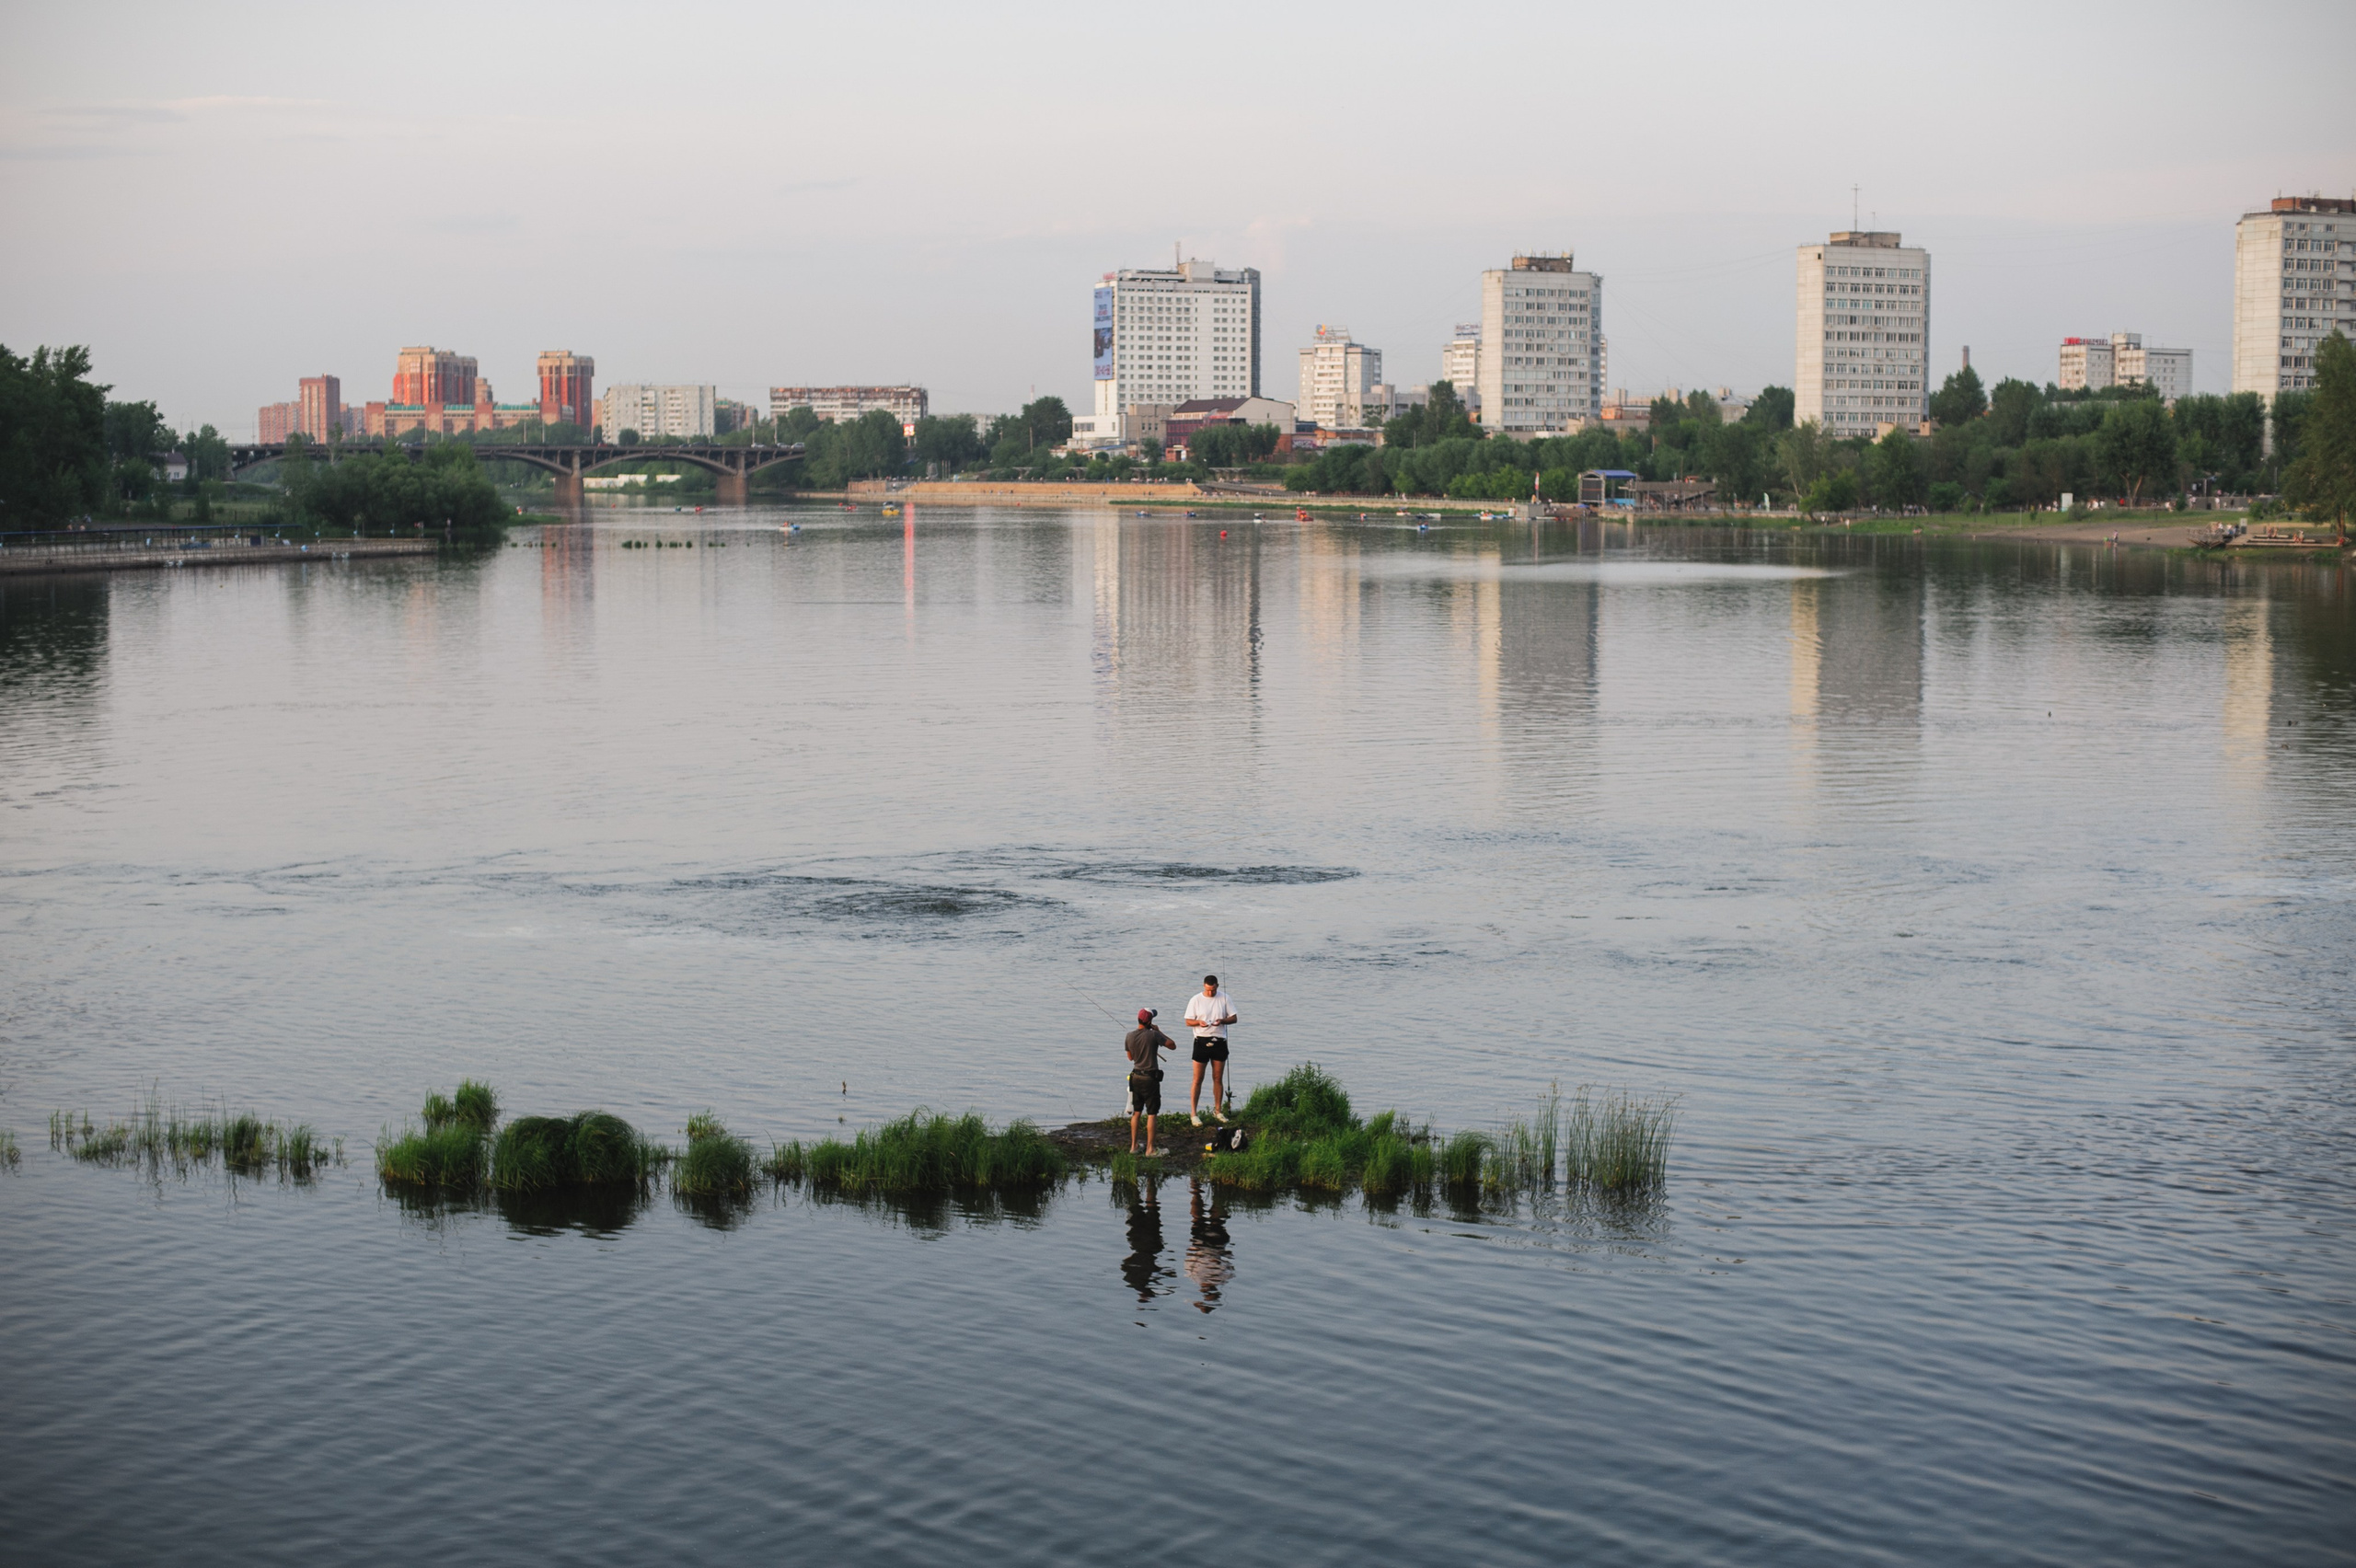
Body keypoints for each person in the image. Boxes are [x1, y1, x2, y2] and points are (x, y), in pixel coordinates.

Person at [1182, 974, 1237, 1126]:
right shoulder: (1195, 1000)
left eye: (1213, 990)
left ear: (1217, 986)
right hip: (1201, 1041)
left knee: (1218, 1078)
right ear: (1204, 986)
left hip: (1219, 1041)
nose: (1211, 993)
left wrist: (1222, 1021)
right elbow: (1188, 1021)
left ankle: (1218, 1111)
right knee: (1197, 1079)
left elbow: (1234, 1018)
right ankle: (1194, 1113)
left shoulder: (1225, 998)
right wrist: (1199, 1022)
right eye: (1208, 990)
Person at [1124, 1007, 1176, 1155]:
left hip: (1135, 1077)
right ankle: (1150, 1149)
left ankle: (1133, 1146)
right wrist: (1158, 1032)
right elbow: (1172, 1045)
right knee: (1152, 1113)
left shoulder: (1129, 1036)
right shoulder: (1154, 1035)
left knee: (1137, 1112)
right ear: (1150, 1021)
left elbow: (1130, 1058)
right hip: (1150, 1079)